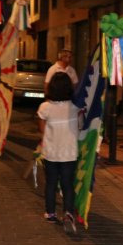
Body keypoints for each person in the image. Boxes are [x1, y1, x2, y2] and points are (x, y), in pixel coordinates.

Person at [37, 72, 79, 234]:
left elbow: (41, 129)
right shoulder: (75, 108)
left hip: (51, 152)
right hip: (69, 153)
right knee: (68, 185)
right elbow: (80, 126)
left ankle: (51, 213)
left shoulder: (45, 107)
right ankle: (68, 213)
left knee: (51, 183)